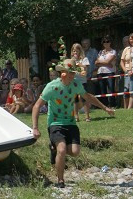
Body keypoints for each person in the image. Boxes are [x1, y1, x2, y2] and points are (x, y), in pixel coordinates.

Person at [31, 59, 115, 188]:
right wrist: (35, 128)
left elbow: (88, 97)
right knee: (62, 149)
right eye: (70, 73)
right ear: (62, 73)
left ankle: (54, 149)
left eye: (73, 73)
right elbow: (37, 106)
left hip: (71, 123)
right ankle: (60, 180)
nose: (72, 75)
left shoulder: (76, 85)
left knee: (75, 152)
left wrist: (105, 108)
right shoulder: (52, 87)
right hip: (55, 123)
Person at [94, 37, 117, 108]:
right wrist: (106, 63)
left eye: (107, 41)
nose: (106, 43)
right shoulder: (100, 52)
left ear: (110, 42)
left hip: (110, 72)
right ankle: (105, 105)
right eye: (104, 42)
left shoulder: (113, 51)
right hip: (100, 72)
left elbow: (108, 61)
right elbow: (96, 63)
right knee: (102, 89)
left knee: (111, 88)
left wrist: (102, 63)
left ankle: (112, 104)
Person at [70, 43, 91, 120]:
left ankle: (87, 116)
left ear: (80, 51)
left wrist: (79, 64)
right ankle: (76, 116)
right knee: (75, 99)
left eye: (77, 51)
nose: (75, 53)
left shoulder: (84, 59)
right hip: (74, 82)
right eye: (74, 51)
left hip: (82, 82)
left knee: (84, 99)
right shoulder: (72, 60)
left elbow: (85, 69)